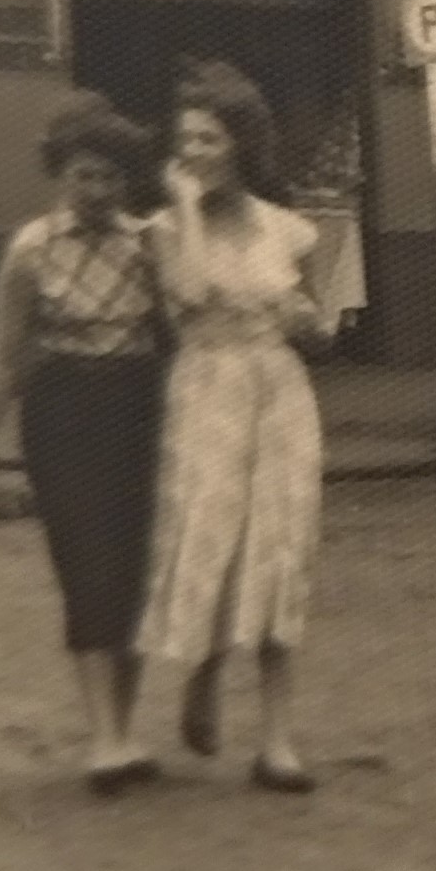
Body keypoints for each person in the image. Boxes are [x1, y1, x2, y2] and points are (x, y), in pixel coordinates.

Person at [133, 63, 330, 794]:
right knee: (215, 545)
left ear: (241, 143)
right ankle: (204, 673)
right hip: (207, 393)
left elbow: (317, 328)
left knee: (279, 551)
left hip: (279, 395)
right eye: (183, 138)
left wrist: (309, 322)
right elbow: (184, 299)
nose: (192, 151)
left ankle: (277, 739)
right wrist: (183, 206)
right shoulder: (163, 229)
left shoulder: (285, 228)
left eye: (207, 138)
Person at [0, 95, 170, 796]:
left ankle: (125, 724)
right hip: (63, 414)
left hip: (139, 408)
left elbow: (175, 339)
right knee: (86, 565)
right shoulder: (32, 249)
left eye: (110, 179)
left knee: (135, 570)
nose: (95, 191)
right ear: (61, 173)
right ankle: (104, 737)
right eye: (83, 176)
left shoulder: (151, 244)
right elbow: (2, 355)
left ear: (128, 181)